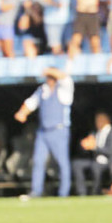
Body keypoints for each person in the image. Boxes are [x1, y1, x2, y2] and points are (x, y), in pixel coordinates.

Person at [14, 67, 73, 198]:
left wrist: (48, 70)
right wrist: (22, 113)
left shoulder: (64, 89)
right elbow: (30, 103)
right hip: (43, 131)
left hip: (59, 130)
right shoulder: (42, 90)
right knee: (38, 161)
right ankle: (36, 191)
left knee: (62, 162)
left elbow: (64, 77)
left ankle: (64, 192)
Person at [71, 111, 112, 196]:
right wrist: (85, 145)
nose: (98, 122)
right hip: (95, 160)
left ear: (107, 120)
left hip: (108, 162)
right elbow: (87, 149)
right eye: (97, 120)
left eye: (100, 120)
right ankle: (81, 192)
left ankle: (96, 192)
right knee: (77, 164)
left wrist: (95, 147)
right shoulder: (95, 133)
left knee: (96, 166)